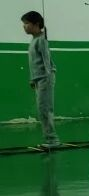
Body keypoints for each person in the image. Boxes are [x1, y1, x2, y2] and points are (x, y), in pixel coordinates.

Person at [20, 9, 59, 149]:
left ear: (36, 24)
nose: (24, 26)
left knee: (45, 109)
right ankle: (50, 139)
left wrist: (47, 78)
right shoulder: (34, 40)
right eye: (23, 24)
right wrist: (32, 79)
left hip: (45, 78)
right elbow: (34, 62)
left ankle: (53, 140)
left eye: (26, 23)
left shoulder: (42, 40)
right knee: (42, 109)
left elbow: (47, 61)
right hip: (38, 79)